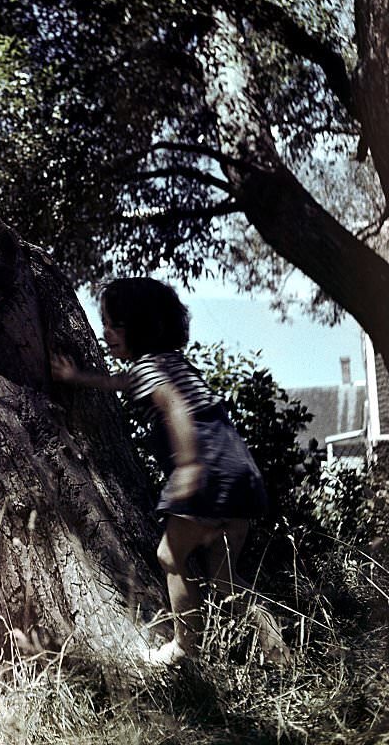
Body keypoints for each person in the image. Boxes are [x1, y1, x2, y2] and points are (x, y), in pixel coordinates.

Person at [50, 277, 287, 668]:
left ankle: (183, 647)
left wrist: (189, 467)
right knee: (224, 579)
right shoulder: (173, 364)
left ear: (142, 326)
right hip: (240, 473)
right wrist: (78, 378)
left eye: (115, 324)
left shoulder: (150, 371)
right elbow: (122, 382)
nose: (106, 333)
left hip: (206, 474)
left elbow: (173, 404)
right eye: (105, 323)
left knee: (169, 556)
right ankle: (277, 645)